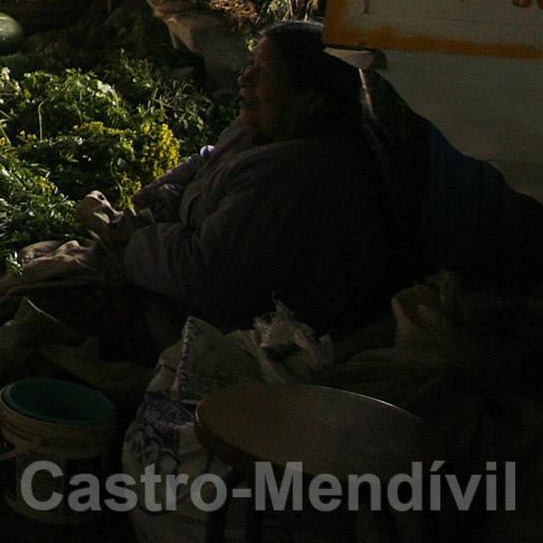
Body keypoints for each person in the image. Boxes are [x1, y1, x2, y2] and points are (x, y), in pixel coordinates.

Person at [97, 21, 406, 338]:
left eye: (266, 71)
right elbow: (209, 158)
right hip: (170, 261)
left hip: (256, 334)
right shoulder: (263, 127)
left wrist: (135, 239)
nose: (244, 78)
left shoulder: (296, 174)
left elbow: (207, 278)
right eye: (251, 64)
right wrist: (150, 199)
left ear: (311, 102)